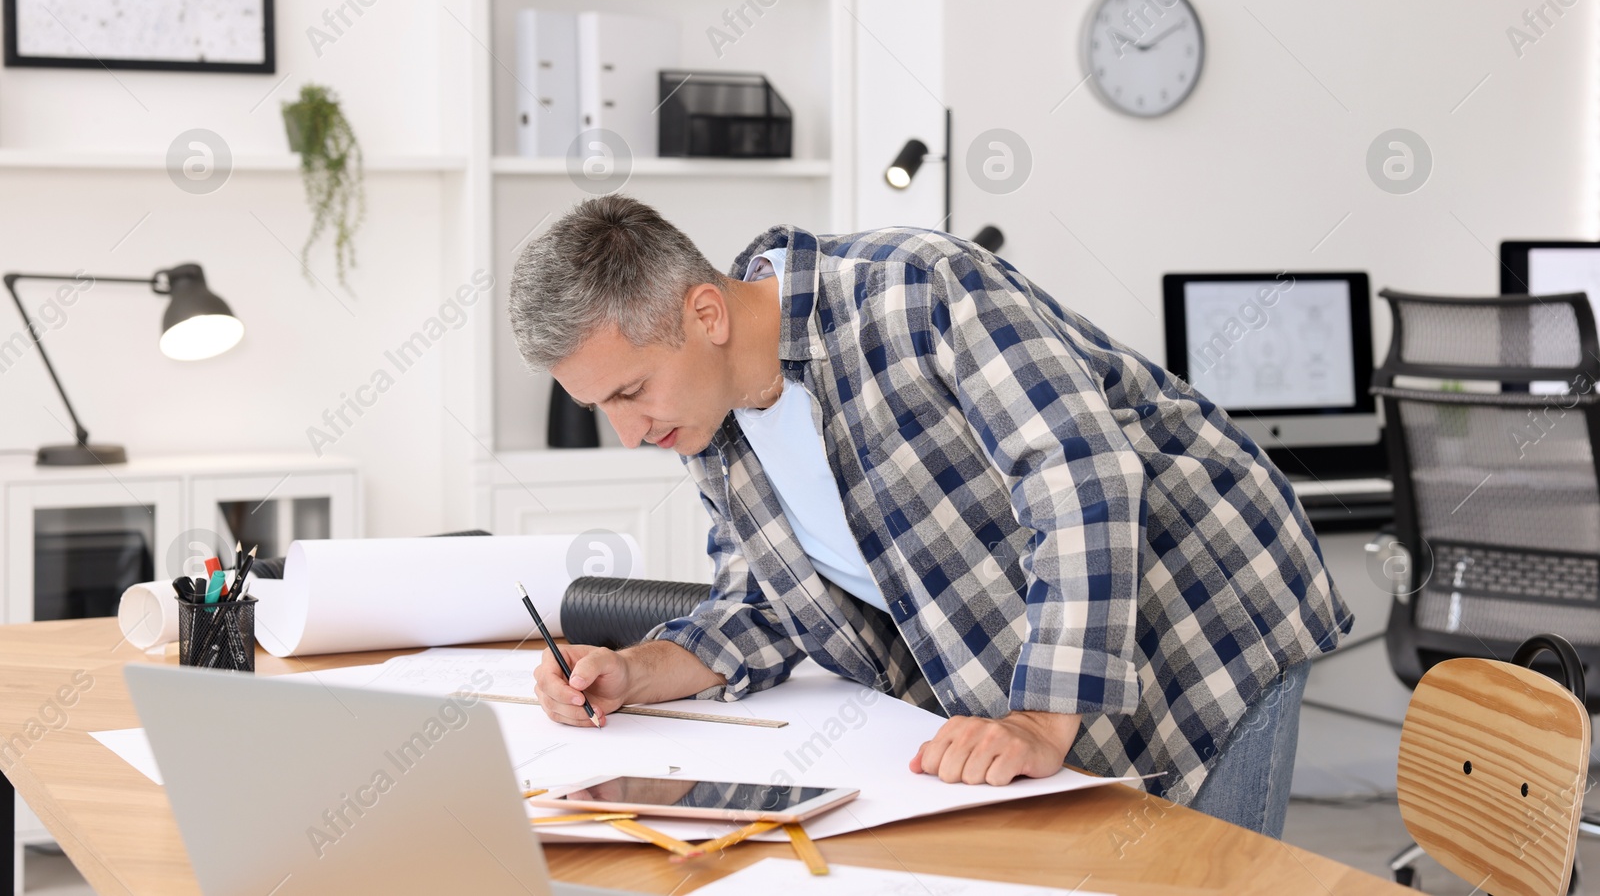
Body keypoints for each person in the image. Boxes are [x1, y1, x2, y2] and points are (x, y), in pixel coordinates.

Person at [507, 196, 1350, 838]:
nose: (629, 432)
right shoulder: (712, 426)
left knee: (1213, 883)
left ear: (705, 315)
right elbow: (764, 606)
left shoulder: (915, 287)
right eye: (600, 408)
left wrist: (1039, 717)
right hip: (1053, 666)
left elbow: (1078, 474)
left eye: (629, 392)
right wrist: (633, 670)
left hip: (1208, 616)